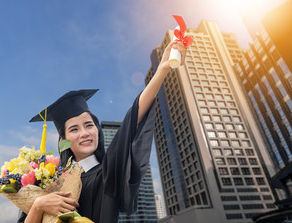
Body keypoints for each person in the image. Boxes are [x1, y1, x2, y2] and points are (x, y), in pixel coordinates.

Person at [17, 41, 187, 223]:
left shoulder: (108, 172)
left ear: (98, 131)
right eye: (74, 129)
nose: (84, 133)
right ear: (63, 140)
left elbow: (132, 121)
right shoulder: (46, 182)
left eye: (89, 125)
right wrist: (38, 205)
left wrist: (162, 70)